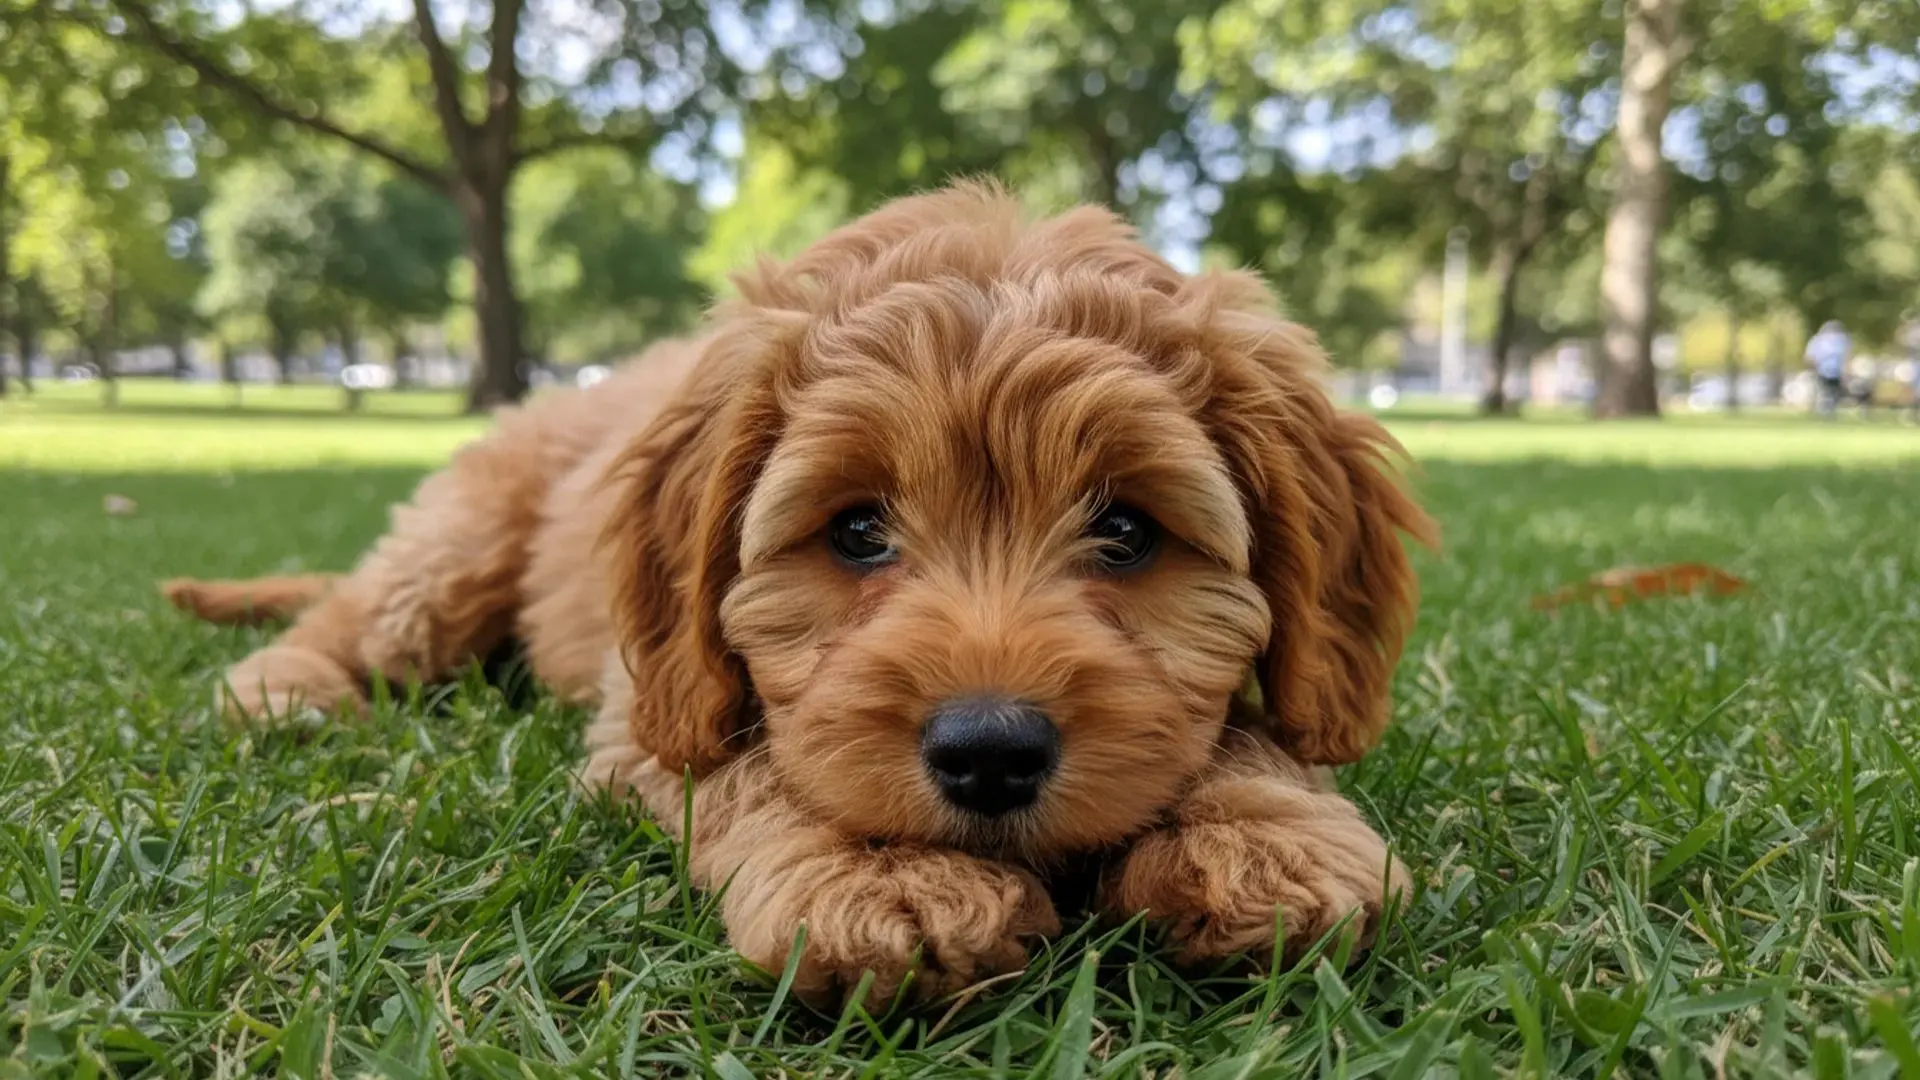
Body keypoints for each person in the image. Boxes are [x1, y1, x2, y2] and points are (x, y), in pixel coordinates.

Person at [1804, 321, 1851, 417]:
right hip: (1822, 371)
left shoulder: (1842, 340)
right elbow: (1810, 357)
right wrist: (1813, 369)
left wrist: (1846, 371)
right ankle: (1823, 411)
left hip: (1836, 371)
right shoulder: (1817, 341)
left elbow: (1846, 356)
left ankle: (1829, 411)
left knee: (1833, 392)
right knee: (1824, 391)